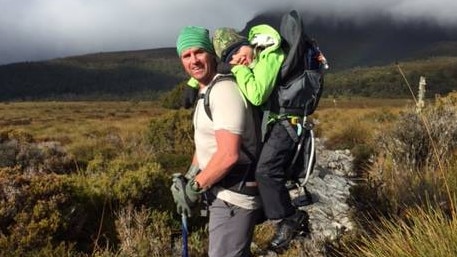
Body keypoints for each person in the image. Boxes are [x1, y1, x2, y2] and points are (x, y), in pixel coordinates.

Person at [211, 23, 327, 251]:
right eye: (229, 57)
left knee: (266, 171)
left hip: (286, 123)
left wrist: (236, 70)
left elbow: (257, 94)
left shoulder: (270, 54)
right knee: (265, 169)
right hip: (278, 123)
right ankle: (270, 211)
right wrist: (193, 82)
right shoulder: (258, 56)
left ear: (248, 43)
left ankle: (289, 218)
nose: (236, 58)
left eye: (237, 51)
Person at [170, 26, 262, 257]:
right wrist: (191, 174)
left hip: (233, 196)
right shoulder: (207, 91)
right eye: (186, 56)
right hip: (221, 191)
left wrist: (194, 188)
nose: (194, 61)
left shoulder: (223, 91)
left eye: (199, 52)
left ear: (211, 54)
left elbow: (228, 155)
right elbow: (206, 143)